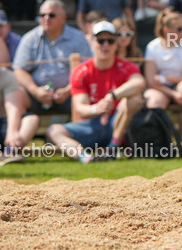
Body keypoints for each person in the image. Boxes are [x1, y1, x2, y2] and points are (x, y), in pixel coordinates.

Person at [46, 21, 146, 162]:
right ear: (92, 42)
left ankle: (112, 148)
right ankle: (86, 158)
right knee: (54, 130)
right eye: (100, 40)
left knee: (134, 99)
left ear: (116, 43)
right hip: (92, 126)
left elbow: (139, 83)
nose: (105, 45)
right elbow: (80, 108)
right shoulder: (81, 71)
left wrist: (112, 96)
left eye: (110, 41)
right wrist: (96, 109)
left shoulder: (126, 67)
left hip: (119, 123)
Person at [12, 0, 92, 116]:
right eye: (42, 15)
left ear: (63, 18)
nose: (46, 18)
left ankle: (83, 126)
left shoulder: (78, 38)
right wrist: (36, 91)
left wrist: (68, 90)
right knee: (16, 93)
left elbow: (87, 68)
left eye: (52, 15)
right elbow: (19, 70)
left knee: (84, 92)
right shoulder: (29, 38)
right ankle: (20, 126)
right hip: (36, 96)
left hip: (71, 94)